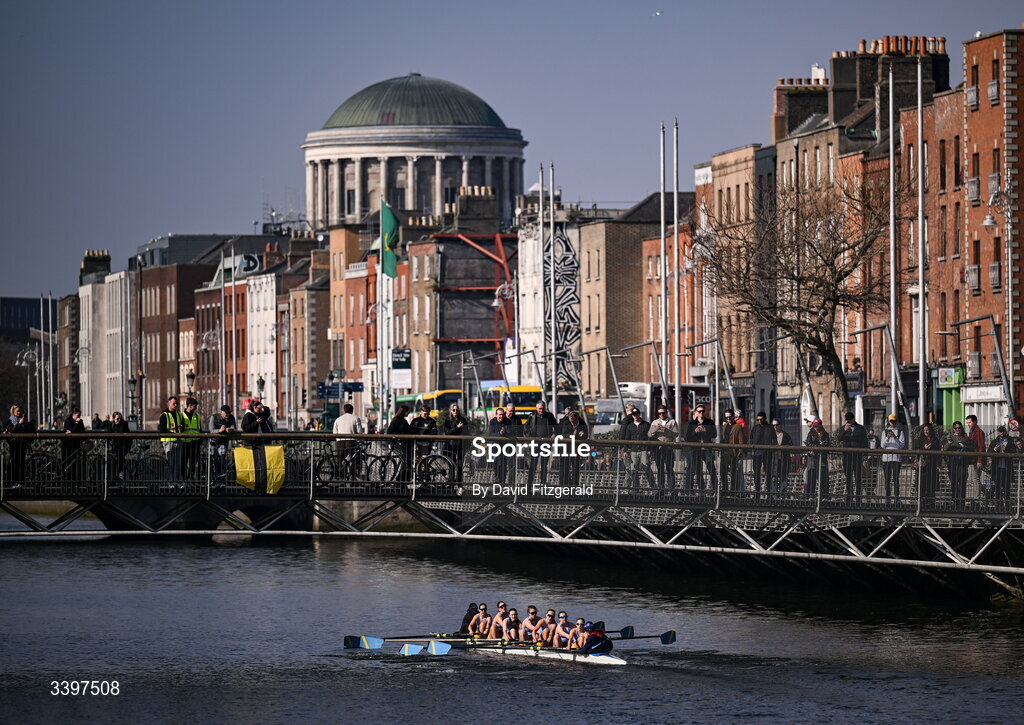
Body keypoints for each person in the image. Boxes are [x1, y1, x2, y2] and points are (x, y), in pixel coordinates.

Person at [684, 404, 717, 490]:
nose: (701, 413)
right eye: (699, 411)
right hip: (696, 450)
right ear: (696, 413)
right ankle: (702, 490)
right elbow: (687, 437)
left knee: (712, 470)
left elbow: (714, 434)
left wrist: (705, 430)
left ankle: (716, 490)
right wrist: (695, 431)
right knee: (698, 471)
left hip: (706, 449)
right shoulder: (691, 423)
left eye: (703, 411)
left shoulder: (710, 422)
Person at [525, 401, 558, 486]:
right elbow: (526, 426)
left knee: (544, 465)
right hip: (535, 443)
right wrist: (528, 435)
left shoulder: (550, 416)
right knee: (533, 464)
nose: (541, 410)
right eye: (539, 409)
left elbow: (557, 427)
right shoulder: (532, 416)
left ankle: (542, 483)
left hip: (546, 443)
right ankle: (529, 483)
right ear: (536, 408)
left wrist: (554, 434)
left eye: (542, 408)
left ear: (545, 408)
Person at [838, 412, 869, 501]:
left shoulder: (860, 428)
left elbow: (865, 441)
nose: (849, 422)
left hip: (857, 456)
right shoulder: (843, 428)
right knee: (848, 477)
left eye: (850, 420)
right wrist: (844, 430)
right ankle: (849, 496)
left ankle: (858, 497)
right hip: (846, 456)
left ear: (853, 419)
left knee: (858, 477)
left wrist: (865, 454)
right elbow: (839, 438)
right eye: (847, 420)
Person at [648, 405, 679, 491]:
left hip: (669, 448)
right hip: (658, 449)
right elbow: (649, 434)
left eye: (663, 413)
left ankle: (671, 490)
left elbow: (676, 434)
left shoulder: (672, 421)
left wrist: (665, 430)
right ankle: (661, 489)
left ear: (666, 412)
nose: (661, 415)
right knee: (660, 470)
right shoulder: (654, 422)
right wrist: (656, 429)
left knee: (670, 469)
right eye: (659, 413)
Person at [943, 421, 973, 507]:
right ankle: (955, 501)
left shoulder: (965, 437)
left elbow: (971, 447)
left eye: (959, 428)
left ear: (961, 428)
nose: (957, 429)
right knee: (954, 483)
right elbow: (945, 449)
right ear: (953, 429)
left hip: (963, 463)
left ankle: (962, 501)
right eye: (955, 428)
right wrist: (949, 444)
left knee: (962, 482)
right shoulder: (950, 437)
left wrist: (964, 446)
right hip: (953, 463)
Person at [621, 407, 650, 492]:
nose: (635, 416)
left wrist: (649, 449)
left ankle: (653, 488)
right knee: (633, 470)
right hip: (633, 450)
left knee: (647, 468)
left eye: (637, 414)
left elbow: (649, 438)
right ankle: (635, 488)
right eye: (634, 415)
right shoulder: (630, 426)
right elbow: (627, 438)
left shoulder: (646, 424)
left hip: (643, 449)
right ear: (632, 416)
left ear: (639, 414)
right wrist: (626, 450)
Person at [559, 408, 589, 487]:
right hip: (567, 448)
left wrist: (582, 435)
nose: (572, 421)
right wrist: (572, 435)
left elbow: (586, 434)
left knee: (576, 467)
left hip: (576, 448)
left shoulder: (582, 423)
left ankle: (575, 485)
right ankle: (565, 485)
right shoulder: (566, 423)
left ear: (577, 419)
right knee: (565, 466)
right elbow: (564, 434)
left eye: (573, 420)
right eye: (570, 419)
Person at [157, 397, 184, 483]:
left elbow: (181, 426)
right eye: (174, 403)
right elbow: (162, 429)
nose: (176, 405)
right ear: (169, 403)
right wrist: (174, 433)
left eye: (176, 403)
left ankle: (176, 481)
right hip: (168, 441)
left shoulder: (179, 414)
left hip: (178, 441)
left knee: (178, 464)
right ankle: (170, 482)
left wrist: (181, 428)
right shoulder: (164, 415)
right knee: (170, 463)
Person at [720, 408, 747, 492]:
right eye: (726, 417)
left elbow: (741, 440)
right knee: (722, 472)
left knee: (733, 473)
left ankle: (733, 491)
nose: (728, 418)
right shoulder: (724, 426)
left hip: (733, 453)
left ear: (733, 416)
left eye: (729, 417)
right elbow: (723, 438)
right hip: (724, 452)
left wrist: (740, 452)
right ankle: (725, 489)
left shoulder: (738, 426)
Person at [881, 414, 906, 501]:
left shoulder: (900, 432)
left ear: (896, 421)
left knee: (896, 478)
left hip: (896, 458)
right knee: (887, 478)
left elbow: (902, 445)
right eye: (891, 421)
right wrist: (887, 437)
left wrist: (895, 437)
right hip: (886, 458)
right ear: (888, 422)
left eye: (894, 421)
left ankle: (896, 496)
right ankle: (888, 496)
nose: (892, 423)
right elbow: (882, 445)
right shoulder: (884, 432)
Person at [442, 403, 470, 482]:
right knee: (451, 464)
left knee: (460, 465)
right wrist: (457, 427)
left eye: (457, 410)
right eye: (453, 410)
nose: (455, 412)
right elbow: (447, 433)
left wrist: (468, 445)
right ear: (450, 411)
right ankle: (451, 482)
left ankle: (459, 483)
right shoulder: (447, 421)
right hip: (450, 445)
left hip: (460, 445)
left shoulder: (463, 420)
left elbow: (467, 432)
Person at [4, 404, 30, 486]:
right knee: (14, 463)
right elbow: (11, 431)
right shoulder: (10, 420)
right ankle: (14, 482)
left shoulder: (21, 420)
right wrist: (18, 424)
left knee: (22, 463)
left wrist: (26, 422)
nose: (19, 413)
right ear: (13, 412)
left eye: (20, 411)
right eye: (17, 411)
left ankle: (21, 482)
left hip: (21, 444)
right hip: (14, 445)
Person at [749, 411, 773, 497]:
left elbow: (774, 440)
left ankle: (769, 493)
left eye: (761, 419)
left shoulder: (770, 428)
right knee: (756, 473)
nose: (759, 421)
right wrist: (752, 449)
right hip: (757, 453)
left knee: (768, 472)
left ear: (765, 419)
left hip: (767, 453)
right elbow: (751, 438)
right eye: (757, 419)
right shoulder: (755, 428)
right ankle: (757, 493)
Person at [802, 419, 830, 497]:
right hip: (812, 457)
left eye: (817, 426)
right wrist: (818, 447)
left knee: (823, 477)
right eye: (814, 426)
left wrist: (823, 445)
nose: (815, 427)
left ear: (820, 426)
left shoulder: (825, 434)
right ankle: (811, 495)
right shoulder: (811, 433)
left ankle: (824, 496)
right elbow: (808, 444)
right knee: (811, 476)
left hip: (822, 458)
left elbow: (828, 444)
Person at [209, 405, 236, 481]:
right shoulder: (214, 417)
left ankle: (222, 480)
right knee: (213, 460)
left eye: (229, 413)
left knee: (222, 461)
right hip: (214, 442)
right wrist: (219, 431)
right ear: (221, 412)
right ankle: (213, 479)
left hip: (223, 442)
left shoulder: (231, 417)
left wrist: (230, 429)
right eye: (226, 413)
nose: (228, 414)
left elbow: (234, 427)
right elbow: (211, 430)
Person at [916, 424, 940, 507]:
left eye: (927, 430)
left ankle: (931, 501)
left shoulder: (935, 439)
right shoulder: (920, 439)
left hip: (932, 464)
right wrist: (924, 449)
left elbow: (939, 452)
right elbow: (917, 450)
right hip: (922, 466)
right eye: (924, 430)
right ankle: (922, 501)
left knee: (931, 483)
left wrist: (938, 464)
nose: (926, 431)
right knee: (922, 483)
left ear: (930, 430)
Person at [988, 426, 1013, 504]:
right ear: (998, 432)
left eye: (1003, 431)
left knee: (1006, 488)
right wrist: (995, 450)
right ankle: (999, 506)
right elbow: (988, 452)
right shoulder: (995, 441)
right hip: (997, 468)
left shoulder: (1010, 440)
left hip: (1007, 468)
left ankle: (1007, 506)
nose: (1001, 433)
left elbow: (1014, 450)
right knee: (997, 488)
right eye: (1000, 432)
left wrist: (1006, 449)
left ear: (1005, 432)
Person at [180, 397, 203, 480]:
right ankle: (184, 479)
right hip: (185, 442)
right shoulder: (181, 416)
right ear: (189, 406)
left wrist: (200, 440)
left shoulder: (197, 416)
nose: (196, 408)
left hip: (195, 442)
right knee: (184, 462)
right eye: (194, 406)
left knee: (193, 462)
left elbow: (199, 429)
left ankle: (191, 478)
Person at [62, 408, 87, 482]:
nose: (79, 417)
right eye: (78, 415)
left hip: (77, 444)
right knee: (69, 462)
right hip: (68, 445)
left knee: (76, 463)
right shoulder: (68, 421)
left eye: (80, 415)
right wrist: (76, 424)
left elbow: (82, 432)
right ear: (73, 414)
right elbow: (72, 431)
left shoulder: (80, 421)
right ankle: (68, 480)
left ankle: (76, 481)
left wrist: (73, 430)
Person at [770, 419, 794, 494]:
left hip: (784, 460)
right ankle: (774, 494)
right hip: (774, 460)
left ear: (780, 425)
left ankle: (782, 493)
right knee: (774, 478)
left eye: (776, 425)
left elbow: (790, 445)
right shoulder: (770, 435)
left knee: (783, 478)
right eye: (773, 425)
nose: (775, 427)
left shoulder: (786, 435)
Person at [965, 415, 986, 500]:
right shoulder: (972, 431)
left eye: (969, 422)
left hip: (977, 459)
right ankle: (987, 493)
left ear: (975, 422)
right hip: (974, 459)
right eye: (967, 423)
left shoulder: (978, 432)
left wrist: (979, 460)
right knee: (975, 478)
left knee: (976, 478)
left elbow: (981, 446)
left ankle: (977, 498)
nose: (968, 424)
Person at [108, 411, 131, 481]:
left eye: (120, 418)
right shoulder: (111, 425)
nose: (119, 420)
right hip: (115, 446)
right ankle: (115, 476)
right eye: (117, 419)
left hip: (124, 445)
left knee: (119, 456)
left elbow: (123, 434)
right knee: (113, 459)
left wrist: (119, 425)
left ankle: (120, 474)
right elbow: (108, 435)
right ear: (113, 419)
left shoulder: (123, 424)